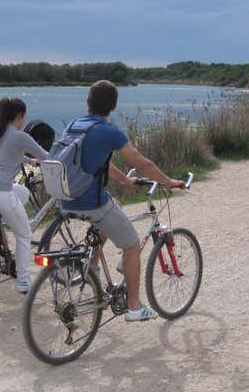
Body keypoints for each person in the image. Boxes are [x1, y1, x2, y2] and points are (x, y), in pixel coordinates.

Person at [60, 80, 185, 322]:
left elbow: (101, 161)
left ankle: (93, 269)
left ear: (88, 102)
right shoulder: (109, 131)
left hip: (66, 198)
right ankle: (134, 307)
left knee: (113, 204)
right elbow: (140, 162)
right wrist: (167, 181)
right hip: (90, 201)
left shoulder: (76, 125)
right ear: (113, 107)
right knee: (131, 244)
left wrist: (126, 182)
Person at [0, 98, 49, 293]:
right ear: (19, 116)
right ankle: (23, 281)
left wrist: (27, 160)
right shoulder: (19, 136)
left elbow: (6, 154)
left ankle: (6, 223)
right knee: (24, 233)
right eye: (24, 116)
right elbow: (46, 156)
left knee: (22, 192)